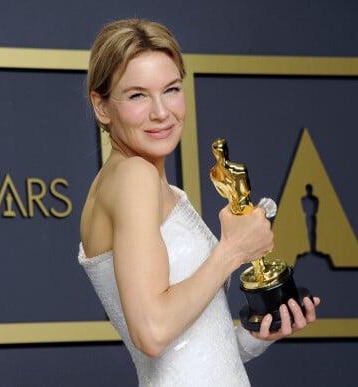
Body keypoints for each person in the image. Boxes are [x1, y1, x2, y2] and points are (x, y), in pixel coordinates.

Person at [78, 18, 320, 386]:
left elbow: (188, 355)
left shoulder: (136, 180)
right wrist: (232, 250)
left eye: (171, 89)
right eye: (138, 95)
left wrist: (257, 336)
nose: (162, 111)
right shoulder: (133, 178)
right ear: (102, 106)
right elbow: (153, 331)